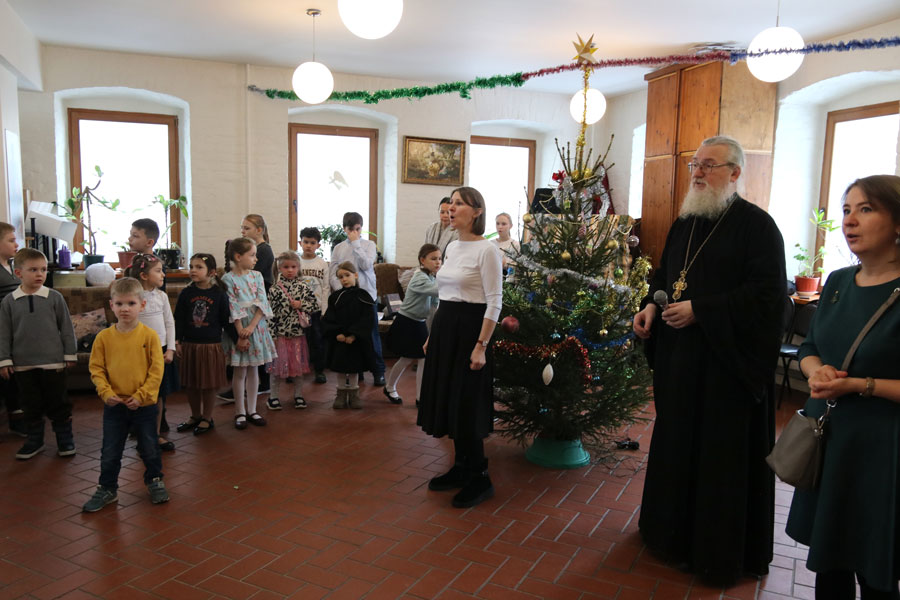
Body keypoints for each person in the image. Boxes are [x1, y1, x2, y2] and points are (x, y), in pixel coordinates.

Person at [632, 135, 785, 585]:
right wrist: (652, 305)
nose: (697, 172)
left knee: (718, 457)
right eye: (694, 164)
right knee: (677, 443)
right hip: (681, 362)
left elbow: (767, 296)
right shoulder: (685, 222)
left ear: (735, 173)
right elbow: (665, 276)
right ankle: (668, 536)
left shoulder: (758, 227)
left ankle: (715, 554)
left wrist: (702, 310)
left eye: (709, 165)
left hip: (726, 368)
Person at [785, 175, 900, 600]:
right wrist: (816, 371)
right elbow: (810, 347)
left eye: (865, 209)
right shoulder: (836, 281)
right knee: (829, 561)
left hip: (882, 450)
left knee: (875, 570)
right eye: (847, 210)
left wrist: (860, 385)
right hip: (829, 440)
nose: (849, 220)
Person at [418, 187, 503, 509]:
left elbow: (494, 302)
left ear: (476, 211)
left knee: (467, 402)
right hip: (446, 329)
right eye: (450, 203)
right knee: (450, 399)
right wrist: (433, 335)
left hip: (471, 332)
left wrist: (481, 346)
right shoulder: (452, 246)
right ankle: (461, 467)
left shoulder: (488, 250)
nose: (451, 209)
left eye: (458, 204)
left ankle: (480, 476)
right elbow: (445, 294)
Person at [83, 277, 168, 512]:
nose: (125, 309)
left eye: (131, 303)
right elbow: (96, 369)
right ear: (111, 305)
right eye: (119, 304)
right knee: (111, 450)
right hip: (115, 405)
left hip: (144, 405)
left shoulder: (150, 336)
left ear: (142, 305)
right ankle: (107, 488)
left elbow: (156, 370)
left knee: (149, 446)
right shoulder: (104, 338)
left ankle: (155, 480)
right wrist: (105, 392)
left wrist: (142, 395)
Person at [0, 248, 77, 459]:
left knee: (58, 403)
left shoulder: (54, 297)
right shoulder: (9, 302)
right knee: (30, 405)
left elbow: (67, 327)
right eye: (33, 270)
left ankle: (65, 438)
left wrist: (70, 354)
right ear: (18, 273)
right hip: (23, 365)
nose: (40, 274)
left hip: (53, 363)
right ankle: (34, 440)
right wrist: (4, 360)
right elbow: (3, 333)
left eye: (43, 269)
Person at [173, 253, 232, 436]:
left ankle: (207, 417)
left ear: (211, 272)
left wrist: (237, 340)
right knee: (191, 384)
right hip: (190, 344)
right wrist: (177, 341)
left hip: (211, 345)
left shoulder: (219, 294)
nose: (193, 270)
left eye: (199, 267)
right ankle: (195, 415)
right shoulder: (186, 293)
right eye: (191, 266)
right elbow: (179, 319)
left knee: (208, 384)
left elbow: (226, 320)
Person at [222, 237, 277, 430]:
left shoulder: (257, 276)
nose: (256, 259)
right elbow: (232, 305)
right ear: (238, 257)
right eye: (252, 255)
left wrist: (251, 327)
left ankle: (252, 409)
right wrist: (240, 333)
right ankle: (240, 411)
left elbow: (262, 301)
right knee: (240, 371)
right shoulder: (228, 279)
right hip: (239, 328)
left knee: (254, 369)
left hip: (256, 326)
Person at [126, 254, 178, 452]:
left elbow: (169, 323)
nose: (163, 274)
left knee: (158, 396)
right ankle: (142, 436)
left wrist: (170, 349)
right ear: (144, 275)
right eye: (158, 271)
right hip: (138, 353)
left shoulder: (161, 297)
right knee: (141, 394)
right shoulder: (133, 299)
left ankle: (154, 436)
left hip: (161, 352)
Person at [329, 212, 385, 386]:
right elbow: (333, 273)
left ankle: (378, 371)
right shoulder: (338, 248)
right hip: (347, 298)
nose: (354, 232)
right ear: (344, 229)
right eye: (350, 230)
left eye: (358, 229)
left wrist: (356, 244)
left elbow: (366, 265)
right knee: (351, 333)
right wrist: (341, 291)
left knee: (371, 334)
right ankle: (356, 369)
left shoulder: (369, 245)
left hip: (366, 296)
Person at [383, 243, 441, 406]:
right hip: (407, 322)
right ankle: (404, 392)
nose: (438, 262)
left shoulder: (431, 277)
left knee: (417, 359)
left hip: (418, 322)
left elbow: (435, 302)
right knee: (411, 358)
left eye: (440, 259)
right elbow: (437, 291)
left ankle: (414, 395)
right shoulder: (419, 277)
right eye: (433, 259)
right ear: (422, 260)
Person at [267, 250, 318, 410]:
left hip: (298, 335)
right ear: (279, 268)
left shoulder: (303, 287)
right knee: (276, 368)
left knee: (298, 367)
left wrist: (301, 304)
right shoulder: (275, 289)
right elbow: (269, 314)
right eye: (286, 267)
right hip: (280, 335)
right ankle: (273, 397)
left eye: (293, 267)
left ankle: (298, 395)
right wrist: (272, 335)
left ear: (298, 268)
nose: (290, 270)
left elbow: (315, 305)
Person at [321, 261, 376, 410]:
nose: (344, 279)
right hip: (339, 339)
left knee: (353, 368)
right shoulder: (335, 297)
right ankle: (340, 394)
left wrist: (354, 335)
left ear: (355, 275)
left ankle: (353, 394)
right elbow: (329, 318)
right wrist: (337, 333)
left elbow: (367, 319)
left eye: (347, 275)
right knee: (340, 368)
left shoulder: (363, 296)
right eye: (341, 277)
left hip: (355, 340)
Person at [0, 222, 26, 437]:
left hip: (17, 330)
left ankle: (18, 421)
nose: (16, 244)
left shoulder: (12, 267)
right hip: (3, 331)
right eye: (11, 240)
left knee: (15, 380)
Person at [299, 226, 329, 384]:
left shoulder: (322, 264)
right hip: (299, 309)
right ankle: (295, 370)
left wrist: (324, 309)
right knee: (298, 340)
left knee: (317, 340)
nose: (308, 245)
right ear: (300, 243)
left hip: (316, 310)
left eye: (312, 243)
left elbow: (326, 288)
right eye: (306, 242)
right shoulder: (296, 262)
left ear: (318, 245)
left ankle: (319, 370)